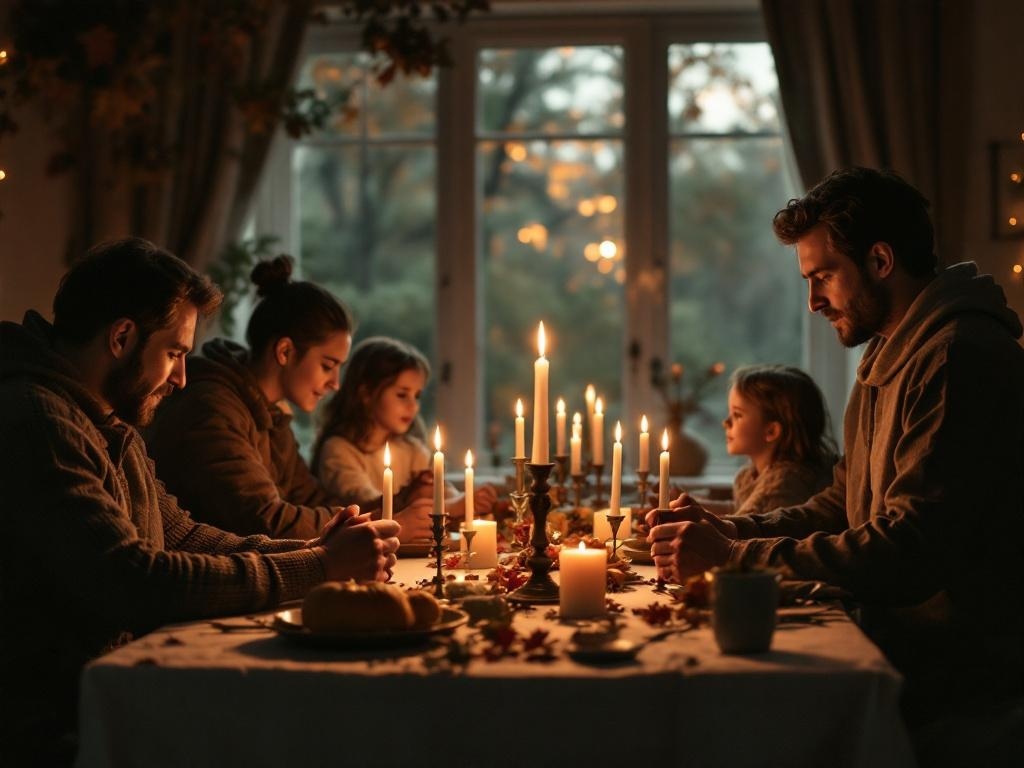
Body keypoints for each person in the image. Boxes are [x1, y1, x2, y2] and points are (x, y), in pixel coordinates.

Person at [649, 168, 1024, 731]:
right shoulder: (887, 355)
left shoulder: (957, 358)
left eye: (823, 276)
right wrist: (731, 530)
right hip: (898, 654)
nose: (812, 302)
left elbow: (910, 550)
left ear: (879, 261)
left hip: (955, 687)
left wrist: (732, 558)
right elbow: (839, 503)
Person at [0, 239, 400, 764]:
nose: (182, 378)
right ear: (122, 336)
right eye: (174, 353)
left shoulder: (103, 417)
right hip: (58, 724)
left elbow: (181, 533)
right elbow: (135, 580)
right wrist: (320, 566)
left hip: (111, 693)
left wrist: (309, 550)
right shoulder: (40, 420)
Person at [145, 257, 434, 542]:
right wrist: (389, 523)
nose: (335, 383)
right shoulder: (211, 409)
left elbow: (309, 497)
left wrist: (401, 500)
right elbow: (266, 521)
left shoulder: (270, 412)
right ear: (285, 351)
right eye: (327, 365)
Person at [313, 336, 498, 523]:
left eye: (417, 396)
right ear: (366, 393)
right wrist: (453, 506)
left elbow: (442, 492)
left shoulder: (411, 449)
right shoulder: (338, 450)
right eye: (402, 395)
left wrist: (471, 501)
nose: (413, 406)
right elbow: (365, 506)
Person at [696, 365, 836, 517]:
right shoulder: (748, 476)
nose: (726, 422)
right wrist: (692, 504)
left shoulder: (784, 484)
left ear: (771, 431)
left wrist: (691, 513)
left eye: (737, 415)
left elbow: (743, 525)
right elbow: (738, 509)